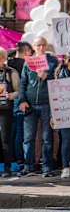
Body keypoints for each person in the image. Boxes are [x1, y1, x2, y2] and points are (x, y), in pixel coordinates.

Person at [17, 37, 59, 177]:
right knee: (28, 138)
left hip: (47, 103)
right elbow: (23, 83)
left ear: (46, 46)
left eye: (43, 45)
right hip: (30, 104)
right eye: (38, 45)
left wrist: (47, 76)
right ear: (33, 47)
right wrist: (22, 100)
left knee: (47, 137)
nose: (41, 47)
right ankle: (29, 166)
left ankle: (46, 166)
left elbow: (58, 82)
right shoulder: (27, 63)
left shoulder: (53, 61)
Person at [8, 41, 31, 166]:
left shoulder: (8, 63)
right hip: (20, 99)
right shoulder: (25, 64)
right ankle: (20, 158)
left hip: (7, 101)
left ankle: (11, 158)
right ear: (26, 51)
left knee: (10, 130)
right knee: (20, 131)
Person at [0, 48, 20, 177]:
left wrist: (10, 96)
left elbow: (19, 91)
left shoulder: (11, 72)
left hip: (5, 109)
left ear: (3, 59)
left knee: (5, 137)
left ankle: (7, 166)